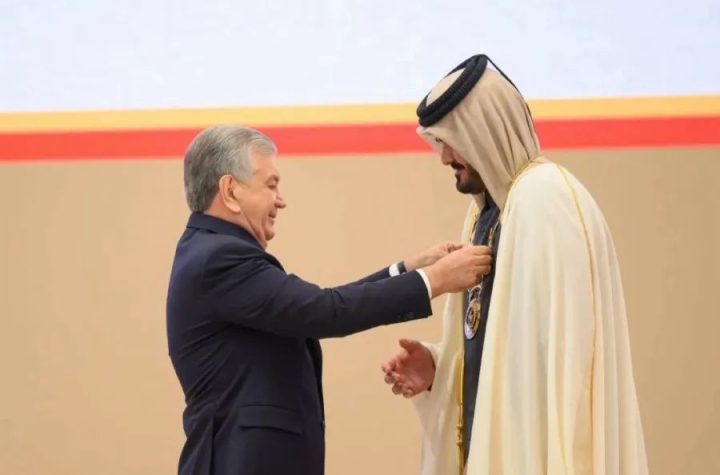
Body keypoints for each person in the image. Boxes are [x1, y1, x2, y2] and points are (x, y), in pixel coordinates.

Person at [165, 124, 494, 475]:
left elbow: (319, 307)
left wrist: (409, 269)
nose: (280, 200)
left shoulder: (210, 252)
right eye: (271, 185)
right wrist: (437, 279)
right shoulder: (220, 258)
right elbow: (325, 312)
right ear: (230, 190)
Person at [381, 54, 648, 474]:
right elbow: (498, 349)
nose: (445, 157)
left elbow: (561, 365)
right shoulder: (485, 215)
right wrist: (440, 371)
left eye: (450, 141)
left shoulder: (545, 199)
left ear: (483, 134)